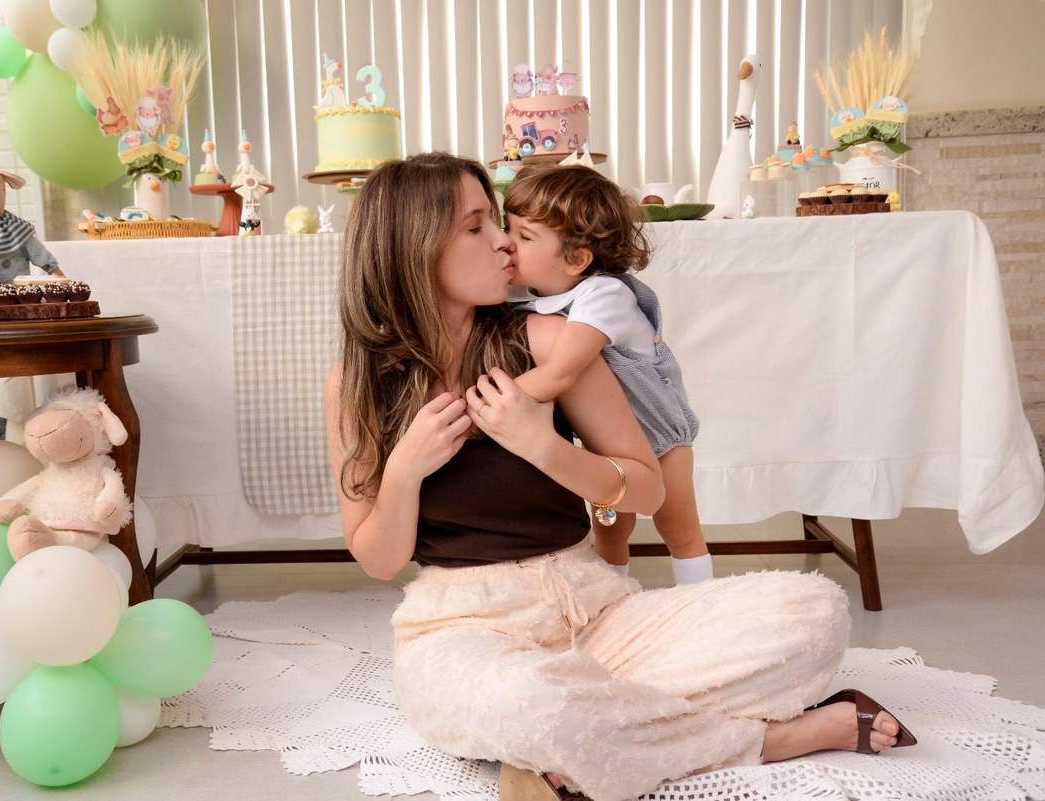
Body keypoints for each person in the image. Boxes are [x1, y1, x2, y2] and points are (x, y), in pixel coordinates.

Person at [325, 152, 916, 801]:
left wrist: (542, 446)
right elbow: (379, 558)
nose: (503, 242)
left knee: (812, 610)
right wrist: (405, 470)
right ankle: (769, 740)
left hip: (596, 613)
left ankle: (575, 750)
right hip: (461, 630)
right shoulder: (356, 385)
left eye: (497, 222)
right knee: (524, 699)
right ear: (413, 247)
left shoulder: (546, 340)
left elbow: (646, 487)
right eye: (475, 227)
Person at [502, 162, 710, 584]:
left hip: (660, 434)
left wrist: (486, 403)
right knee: (611, 531)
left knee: (679, 528)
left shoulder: (604, 295)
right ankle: (612, 600)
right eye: (508, 228)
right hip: (607, 442)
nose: (506, 243)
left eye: (524, 236)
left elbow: (561, 373)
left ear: (577, 258)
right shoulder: (529, 290)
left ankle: (702, 602)